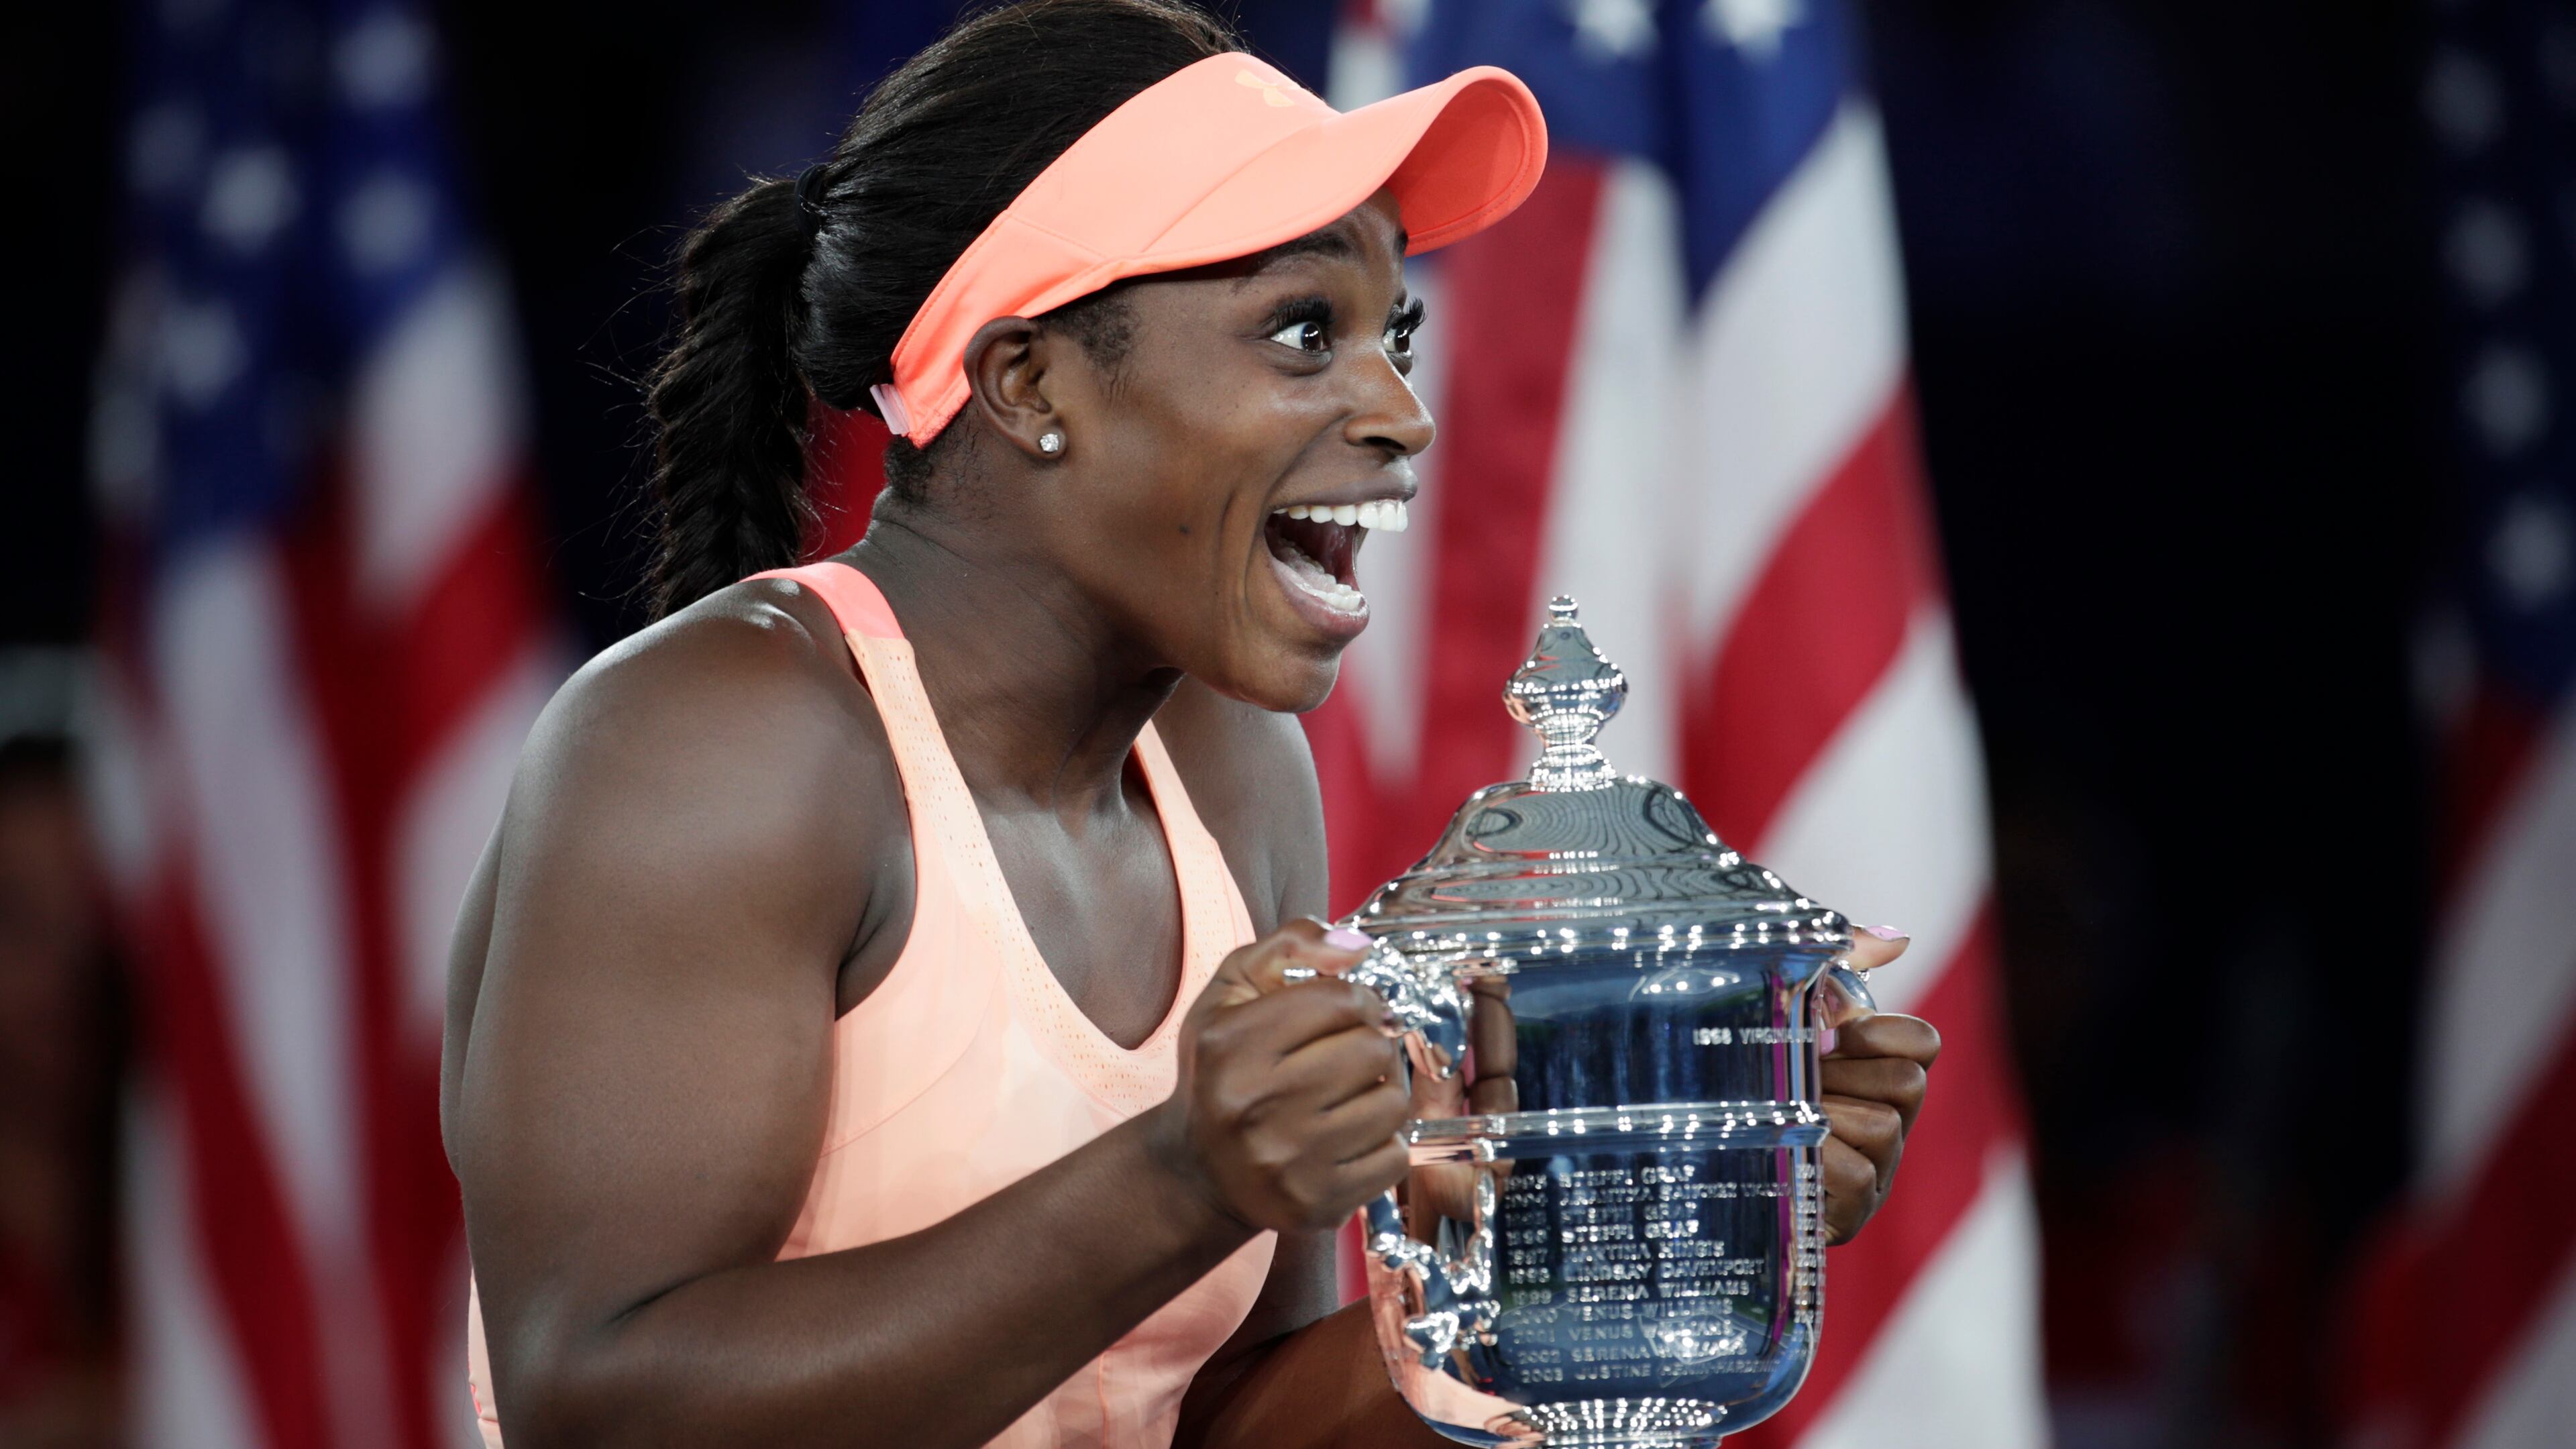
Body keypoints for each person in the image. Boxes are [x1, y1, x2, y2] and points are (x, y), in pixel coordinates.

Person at [440, 3, 1941, 1446]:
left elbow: (1214, 1424)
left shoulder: (1231, 770)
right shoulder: (722, 740)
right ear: (1029, 380)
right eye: (1301, 333)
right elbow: (598, 1402)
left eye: (1393, 335)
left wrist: (1648, 1236)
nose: (1402, 411)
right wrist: (1182, 1179)